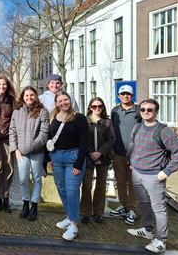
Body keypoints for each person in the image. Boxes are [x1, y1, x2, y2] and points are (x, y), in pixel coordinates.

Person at [126, 99, 178, 253]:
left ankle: (161, 241)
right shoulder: (137, 127)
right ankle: (147, 230)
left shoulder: (162, 130)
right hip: (137, 173)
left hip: (154, 176)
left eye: (150, 110)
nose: (146, 112)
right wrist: (130, 161)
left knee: (159, 208)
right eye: (143, 109)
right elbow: (133, 146)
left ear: (156, 112)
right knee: (143, 203)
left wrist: (167, 171)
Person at [48, 91, 87, 241]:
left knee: (72, 190)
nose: (64, 103)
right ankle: (70, 216)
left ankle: (73, 224)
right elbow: (49, 137)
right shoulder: (53, 117)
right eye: (60, 101)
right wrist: (49, 157)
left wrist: (79, 162)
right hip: (56, 157)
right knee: (61, 188)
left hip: (73, 157)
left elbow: (84, 141)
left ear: (70, 101)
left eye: (66, 100)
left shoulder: (79, 118)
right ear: (56, 103)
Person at [9, 86, 49, 221]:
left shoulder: (42, 112)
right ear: (23, 97)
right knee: (23, 179)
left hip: (37, 151)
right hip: (21, 152)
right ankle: (25, 204)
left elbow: (44, 134)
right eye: (27, 95)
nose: (29, 98)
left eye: (32, 95)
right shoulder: (17, 112)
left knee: (37, 179)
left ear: (36, 96)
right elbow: (12, 131)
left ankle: (35, 206)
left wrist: (31, 147)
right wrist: (15, 149)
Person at [80, 97, 115, 224]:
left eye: (100, 106)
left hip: (103, 158)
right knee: (87, 186)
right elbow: (82, 138)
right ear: (90, 107)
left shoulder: (108, 122)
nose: (97, 108)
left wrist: (100, 153)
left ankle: (98, 212)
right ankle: (85, 212)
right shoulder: (85, 121)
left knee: (101, 186)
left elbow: (111, 139)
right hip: (87, 157)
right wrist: (92, 154)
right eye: (94, 106)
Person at [109, 84, 141, 225]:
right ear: (119, 96)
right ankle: (123, 205)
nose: (125, 96)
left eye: (128, 94)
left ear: (132, 96)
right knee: (120, 181)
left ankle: (132, 209)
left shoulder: (139, 110)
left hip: (135, 154)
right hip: (118, 153)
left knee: (133, 183)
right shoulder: (115, 111)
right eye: (123, 94)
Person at [0, 75, 16, 212]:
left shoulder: (11, 100)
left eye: (4, 84)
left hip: (8, 138)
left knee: (9, 167)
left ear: (7, 86)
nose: (2, 87)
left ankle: (6, 198)